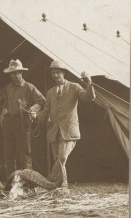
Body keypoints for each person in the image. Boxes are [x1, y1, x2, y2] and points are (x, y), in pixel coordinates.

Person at [35, 60, 96, 189]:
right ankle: (62, 187)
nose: (55, 75)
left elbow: (88, 97)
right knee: (59, 160)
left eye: (57, 72)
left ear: (63, 73)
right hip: (54, 131)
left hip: (69, 130)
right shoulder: (50, 92)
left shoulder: (74, 87)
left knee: (62, 157)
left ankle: (50, 180)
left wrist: (89, 83)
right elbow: (46, 112)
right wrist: (36, 115)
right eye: (53, 73)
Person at [0, 59, 46, 179]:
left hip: (22, 122)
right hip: (9, 122)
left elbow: (42, 100)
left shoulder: (29, 87)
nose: (14, 75)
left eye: (17, 73)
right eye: (12, 73)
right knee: (8, 155)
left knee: (24, 154)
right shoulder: (9, 87)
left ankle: (28, 183)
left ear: (21, 73)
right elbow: (5, 103)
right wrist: (3, 113)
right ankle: (12, 183)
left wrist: (32, 109)